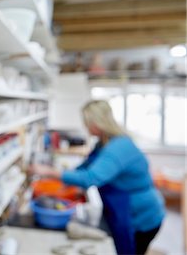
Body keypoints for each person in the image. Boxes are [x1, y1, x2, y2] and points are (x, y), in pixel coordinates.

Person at [32, 100, 165, 255]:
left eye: (87, 122)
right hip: (120, 207)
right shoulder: (103, 143)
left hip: (141, 215)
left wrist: (48, 172)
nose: (86, 127)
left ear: (96, 123)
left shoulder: (119, 147)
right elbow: (86, 166)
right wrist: (68, 181)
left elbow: (90, 178)